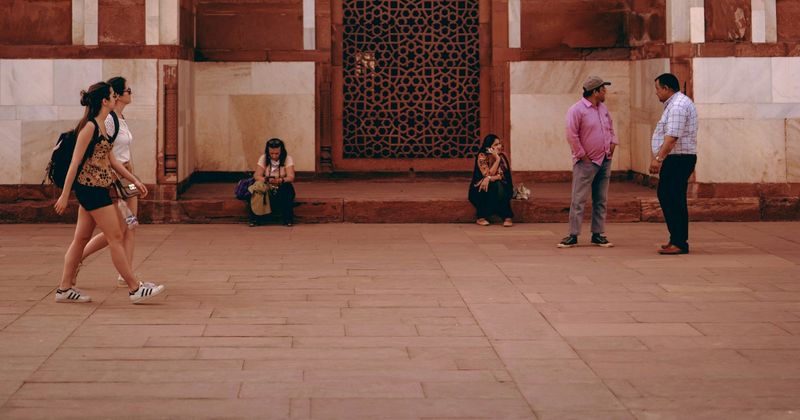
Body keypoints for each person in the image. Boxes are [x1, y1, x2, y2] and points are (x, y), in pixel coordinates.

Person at [53, 81, 165, 304]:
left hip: (98, 188)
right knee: (115, 236)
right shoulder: (90, 127)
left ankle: (64, 289)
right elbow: (75, 163)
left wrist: (135, 180)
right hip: (91, 190)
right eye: (113, 95)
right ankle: (134, 288)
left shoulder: (102, 125)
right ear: (104, 101)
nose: (116, 98)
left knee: (81, 238)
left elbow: (112, 160)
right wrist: (65, 195)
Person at [74, 76, 142, 286]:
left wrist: (133, 176)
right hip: (113, 181)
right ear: (118, 96)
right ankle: (77, 259)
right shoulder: (110, 121)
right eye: (127, 90)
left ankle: (126, 273)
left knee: (130, 225)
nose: (130, 93)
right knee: (115, 231)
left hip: (127, 179)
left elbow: (122, 151)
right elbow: (103, 152)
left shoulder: (121, 118)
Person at [558, 75, 617, 248]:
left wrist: (613, 143)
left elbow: (610, 127)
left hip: (605, 159)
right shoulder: (576, 110)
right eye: (603, 89)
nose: (605, 92)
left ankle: (598, 234)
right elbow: (571, 134)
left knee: (601, 199)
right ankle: (573, 234)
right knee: (579, 199)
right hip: (586, 162)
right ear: (595, 91)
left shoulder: (603, 108)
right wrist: (582, 155)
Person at [649, 73, 698, 255]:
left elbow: (671, 138)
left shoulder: (677, 106)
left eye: (657, 89)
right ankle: (676, 239)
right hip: (678, 158)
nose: (656, 93)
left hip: (678, 159)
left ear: (667, 88)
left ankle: (679, 241)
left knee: (673, 198)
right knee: (669, 196)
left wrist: (658, 159)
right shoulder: (677, 103)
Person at [468, 134, 514, 227]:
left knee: (498, 185)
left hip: (499, 184)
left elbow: (501, 176)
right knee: (488, 186)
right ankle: (481, 217)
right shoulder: (482, 156)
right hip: (480, 186)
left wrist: (489, 178)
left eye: (499, 144)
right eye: (496, 145)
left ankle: (507, 217)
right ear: (489, 147)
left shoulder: (502, 157)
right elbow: (487, 173)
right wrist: (496, 161)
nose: (499, 146)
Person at [249, 138, 296, 227]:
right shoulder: (264, 158)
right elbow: (257, 175)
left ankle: (288, 219)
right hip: (267, 185)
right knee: (258, 189)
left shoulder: (287, 158)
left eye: (277, 153)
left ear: (281, 151)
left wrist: (281, 180)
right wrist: (267, 180)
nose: (274, 156)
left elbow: (291, 177)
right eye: (271, 153)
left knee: (288, 189)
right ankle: (254, 219)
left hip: (281, 185)